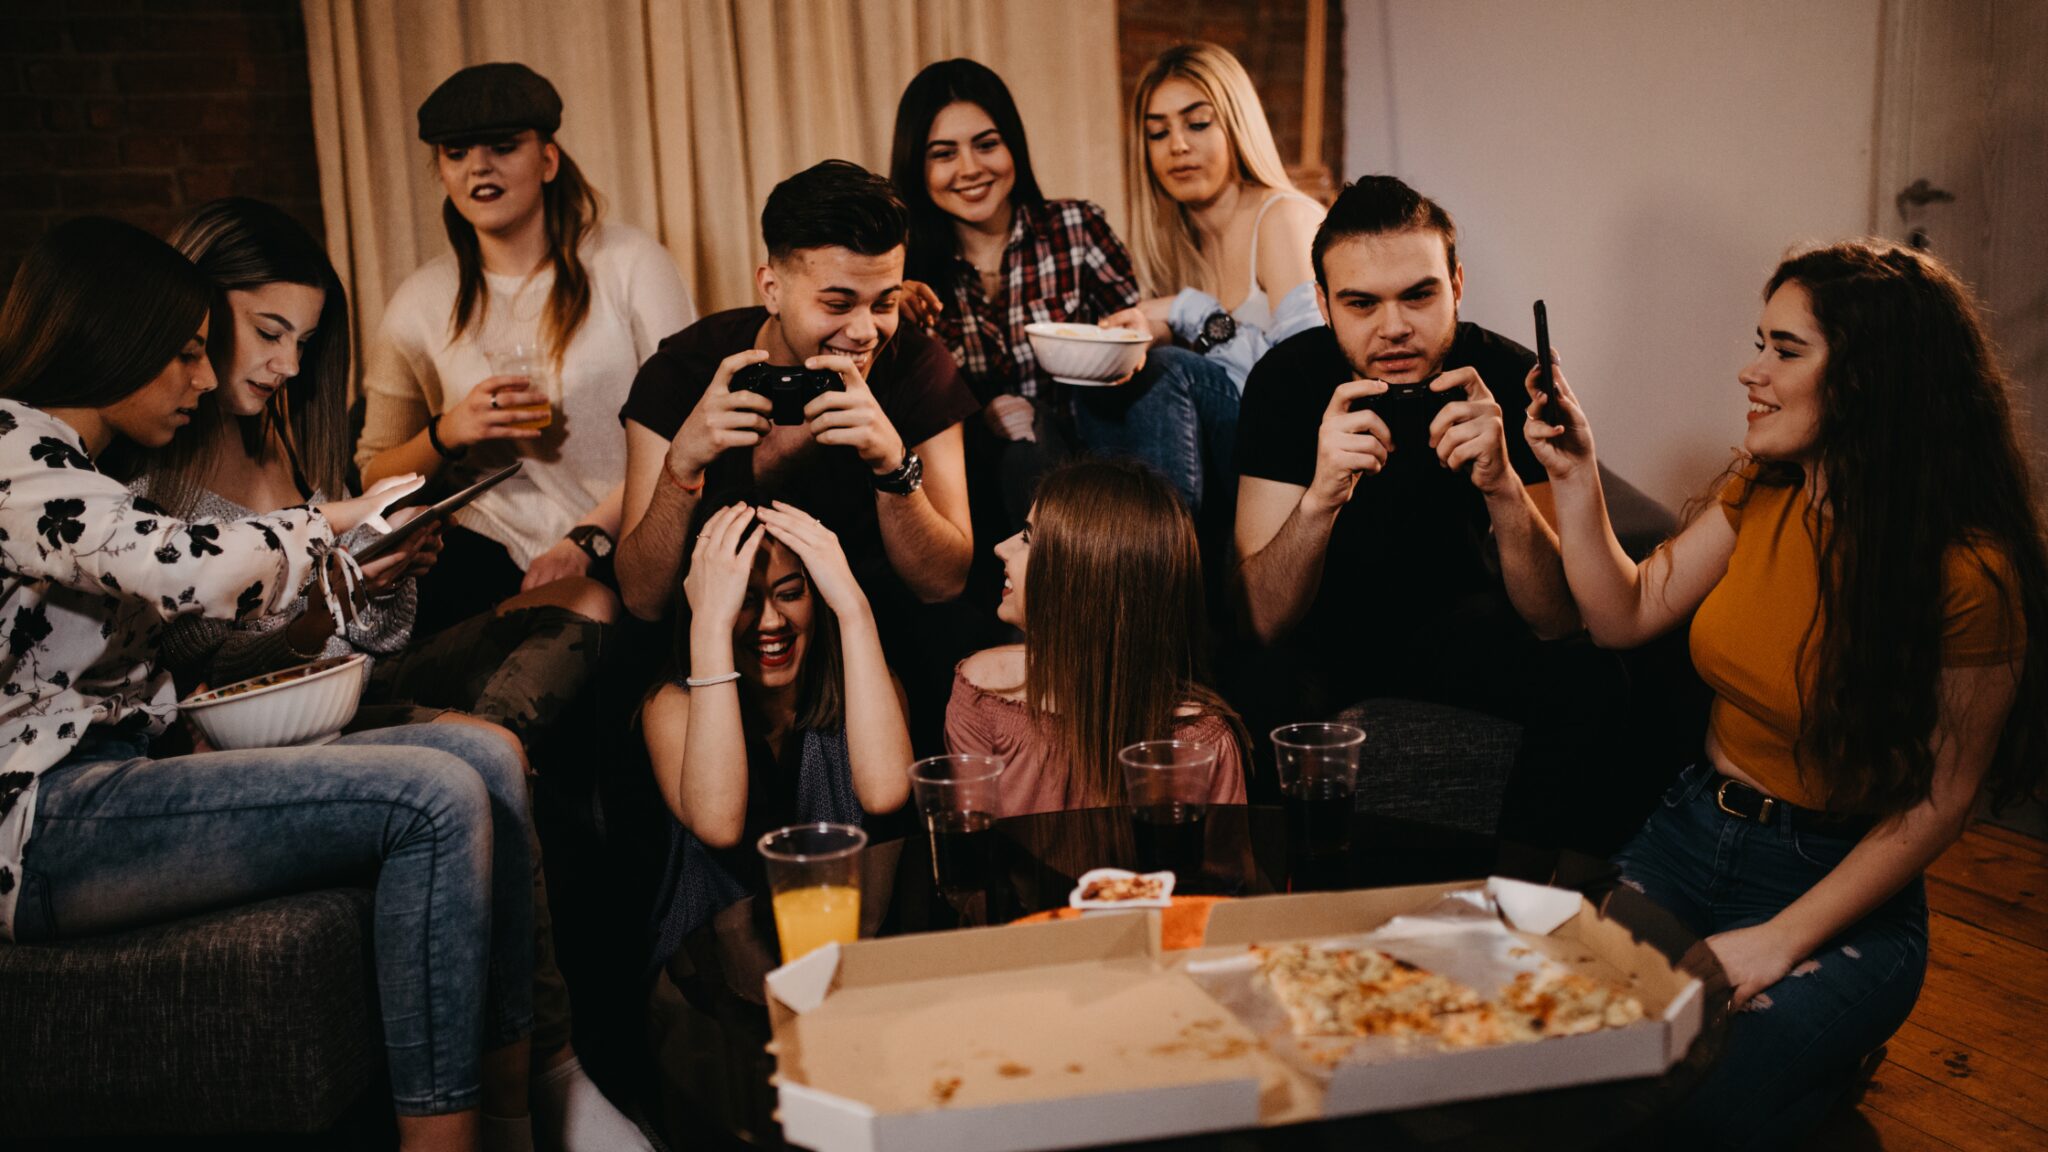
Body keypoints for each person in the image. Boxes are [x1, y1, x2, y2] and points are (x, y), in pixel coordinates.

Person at [0, 216, 533, 1152]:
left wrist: (353, 571)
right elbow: (180, 567)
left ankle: (518, 1118)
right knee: (432, 796)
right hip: (40, 817)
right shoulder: (11, 449)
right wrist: (337, 522)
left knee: (486, 760)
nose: (205, 380)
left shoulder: (83, 468)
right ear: (112, 340)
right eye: (184, 353)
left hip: (122, 778)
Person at [129, 198, 652, 1152]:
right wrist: (331, 598)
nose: (288, 365)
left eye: (304, 341)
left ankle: (541, 1089)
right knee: (489, 764)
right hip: (257, 725)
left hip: (348, 685)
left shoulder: (283, 427)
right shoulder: (148, 459)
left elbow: (368, 637)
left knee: (582, 610)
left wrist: (387, 565)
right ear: (194, 307)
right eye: (269, 333)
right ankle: (544, 1080)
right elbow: (196, 670)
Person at [1528, 239, 2046, 1149]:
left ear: (1870, 378)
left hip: (1835, 882)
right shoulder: (1763, 488)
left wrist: (1779, 940)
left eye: (1785, 350)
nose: (1751, 371)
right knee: (1550, 1057)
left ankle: (1824, 1073)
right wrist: (1574, 474)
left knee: (1696, 1103)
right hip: (1687, 835)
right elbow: (1625, 613)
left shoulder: (1971, 570)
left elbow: (1943, 797)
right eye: (1758, 343)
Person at [1232, 177, 1637, 826]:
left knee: (1592, 678)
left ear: (1457, 285)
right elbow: (1260, 622)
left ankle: (1542, 882)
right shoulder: (1286, 381)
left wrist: (1503, 486)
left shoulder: (1505, 377)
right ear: (1324, 304)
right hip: (1324, 645)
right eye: (1362, 304)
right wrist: (1320, 500)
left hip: (1467, 634)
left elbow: (1557, 620)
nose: (1394, 328)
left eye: (1418, 296)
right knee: (1255, 681)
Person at [615, 160, 977, 742]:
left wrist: (893, 466)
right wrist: (682, 466)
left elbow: (945, 584)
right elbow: (641, 598)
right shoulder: (683, 371)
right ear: (772, 288)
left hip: (878, 636)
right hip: (722, 641)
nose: (865, 331)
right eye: (837, 303)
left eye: (884, 302)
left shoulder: (917, 367)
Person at [358, 61, 696, 637]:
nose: (479, 167)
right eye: (456, 153)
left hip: (625, 529)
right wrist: (449, 431)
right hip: (486, 541)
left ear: (548, 159)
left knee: (606, 622)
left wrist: (588, 537)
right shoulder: (421, 299)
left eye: (502, 147)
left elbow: (687, 431)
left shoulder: (630, 264)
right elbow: (373, 475)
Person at [889, 58, 1224, 538]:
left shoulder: (1075, 228)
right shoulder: (901, 267)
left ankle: (1153, 555)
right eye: (943, 154)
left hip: (1085, 455)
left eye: (987, 145)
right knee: (1016, 453)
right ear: (916, 166)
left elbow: (1129, 334)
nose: (970, 169)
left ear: (1013, 146)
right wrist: (885, 309)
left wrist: (1141, 332)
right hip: (967, 483)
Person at [642, 495, 911, 957]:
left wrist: (852, 607)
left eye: (790, 594)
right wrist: (710, 623)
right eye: (743, 601)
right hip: (717, 970)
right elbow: (719, 824)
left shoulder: (864, 688)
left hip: (848, 951)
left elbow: (886, 793)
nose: (771, 621)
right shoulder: (671, 705)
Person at [1082, 42, 1326, 518]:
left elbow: (1306, 385)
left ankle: (1159, 551)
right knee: (1100, 378)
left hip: (1293, 457)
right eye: (1158, 132)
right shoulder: (1168, 244)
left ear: (1236, 124)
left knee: (1168, 369)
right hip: (1220, 459)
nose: (1178, 146)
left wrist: (1186, 310)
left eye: (1197, 123)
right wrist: (1148, 333)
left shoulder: (1283, 220)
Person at [946, 459, 1248, 815]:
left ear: (1085, 575)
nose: (1001, 547)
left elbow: (1222, 854)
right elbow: (975, 842)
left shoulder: (1199, 744)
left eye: (1028, 538)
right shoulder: (983, 695)